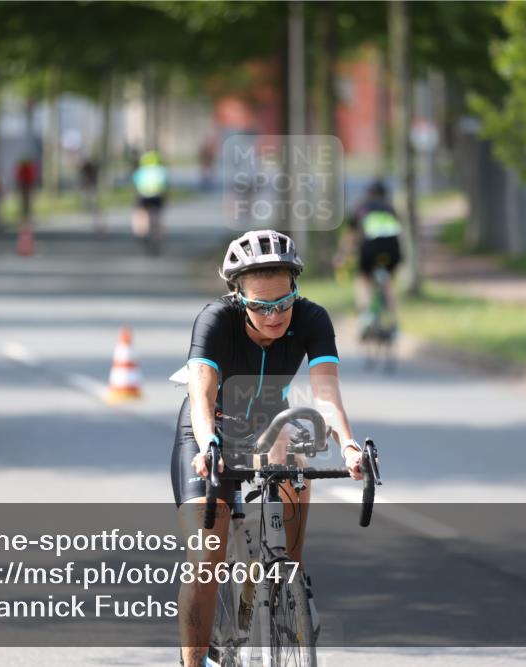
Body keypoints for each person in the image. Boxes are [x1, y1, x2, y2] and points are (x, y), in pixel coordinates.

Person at [172, 229, 366, 667]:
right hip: (210, 427)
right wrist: (208, 446)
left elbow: (325, 395)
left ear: (295, 288)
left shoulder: (313, 318)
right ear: (237, 297)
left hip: (267, 422)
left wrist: (349, 445)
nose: (276, 316)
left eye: (283, 302)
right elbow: (201, 395)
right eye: (261, 306)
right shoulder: (214, 320)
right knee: (206, 557)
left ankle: (287, 583)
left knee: (297, 464)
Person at [336, 179, 403, 336]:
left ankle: (366, 316)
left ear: (369, 193)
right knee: (388, 284)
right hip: (392, 251)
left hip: (370, 250)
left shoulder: (362, 207)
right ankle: (395, 322)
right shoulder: (390, 208)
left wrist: (342, 255)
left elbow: (350, 236)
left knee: (363, 279)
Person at [131, 150, 168, 252]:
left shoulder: (141, 171)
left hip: (144, 196)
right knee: (158, 216)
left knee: (141, 213)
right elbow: (164, 186)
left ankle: (140, 232)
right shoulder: (161, 171)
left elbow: (136, 186)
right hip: (157, 197)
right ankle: (159, 236)